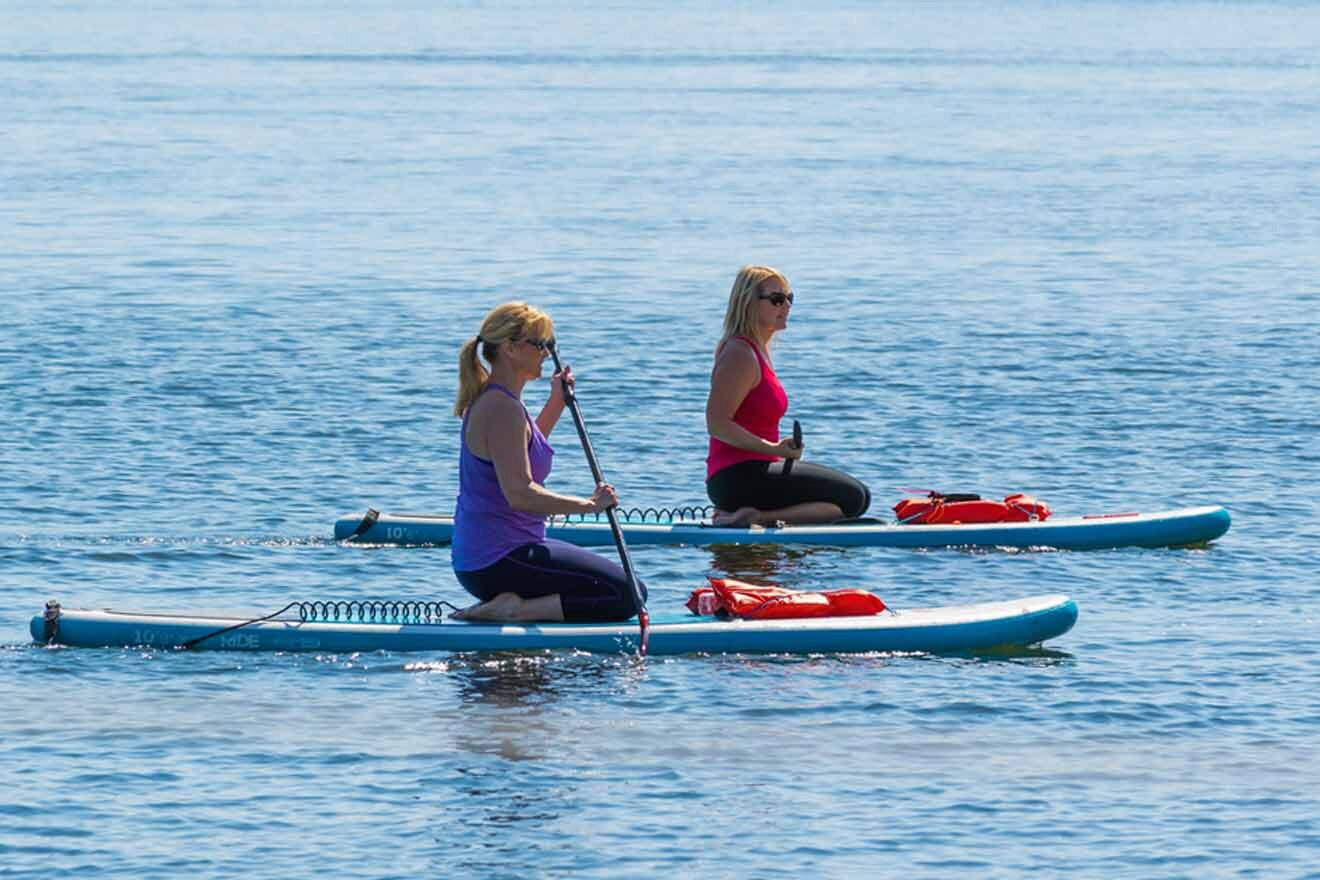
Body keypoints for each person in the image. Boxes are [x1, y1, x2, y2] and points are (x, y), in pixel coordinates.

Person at [450, 302, 645, 622]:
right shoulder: (502, 408)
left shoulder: (501, 401)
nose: (546, 352)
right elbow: (520, 493)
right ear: (511, 349)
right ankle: (514, 610)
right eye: (540, 344)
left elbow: (522, 451)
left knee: (631, 590)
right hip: (496, 560)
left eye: (548, 344)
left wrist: (556, 401)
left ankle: (516, 607)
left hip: (493, 554)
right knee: (627, 595)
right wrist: (590, 505)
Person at [705, 266, 871, 527]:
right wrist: (772, 449)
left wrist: (780, 450)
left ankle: (753, 517)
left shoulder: (756, 352)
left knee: (852, 502)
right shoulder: (740, 354)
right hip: (735, 477)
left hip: (757, 469)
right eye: (777, 300)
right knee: (854, 498)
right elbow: (716, 424)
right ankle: (753, 517)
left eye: (789, 298)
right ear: (749, 303)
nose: (786, 306)